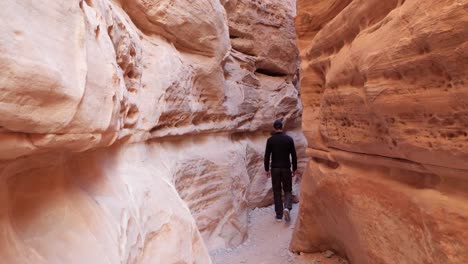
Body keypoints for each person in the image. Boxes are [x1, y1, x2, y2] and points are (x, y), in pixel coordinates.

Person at [264, 120, 297, 222]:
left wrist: (266, 169)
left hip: (275, 169)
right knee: (287, 190)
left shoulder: (270, 140)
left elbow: (267, 156)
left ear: (274, 128)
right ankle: (287, 207)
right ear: (282, 127)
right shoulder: (289, 139)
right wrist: (294, 168)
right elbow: (294, 155)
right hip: (286, 168)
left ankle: (279, 215)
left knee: (277, 191)